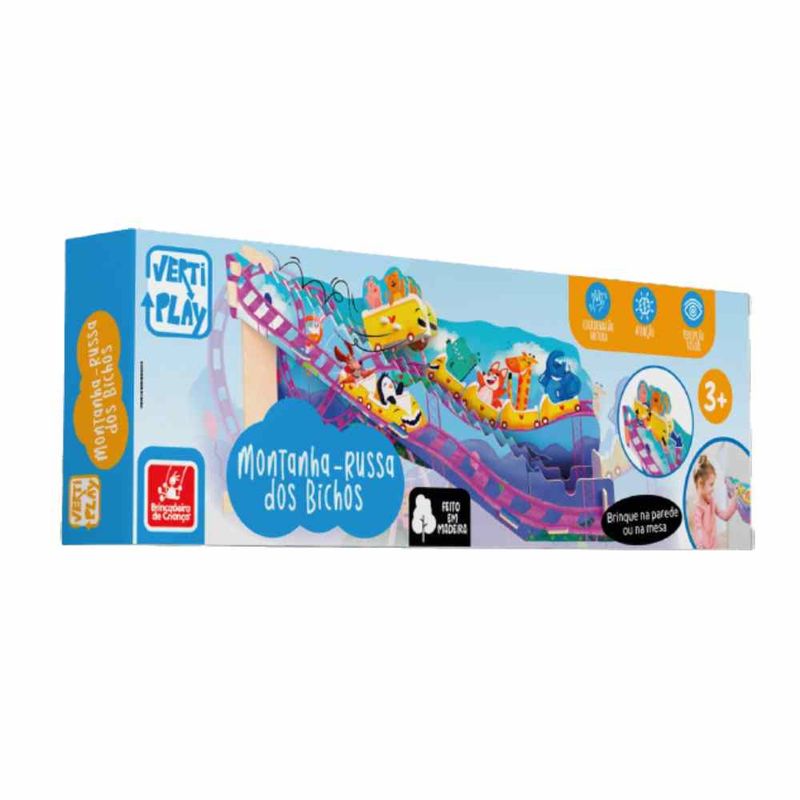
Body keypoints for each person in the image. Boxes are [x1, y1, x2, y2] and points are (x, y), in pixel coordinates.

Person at [692, 454, 737, 549]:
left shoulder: (711, 501)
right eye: (711, 484)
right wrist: (701, 546)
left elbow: (725, 516)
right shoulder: (698, 508)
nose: (713, 488)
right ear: (700, 483)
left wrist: (735, 499)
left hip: (713, 546)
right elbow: (698, 531)